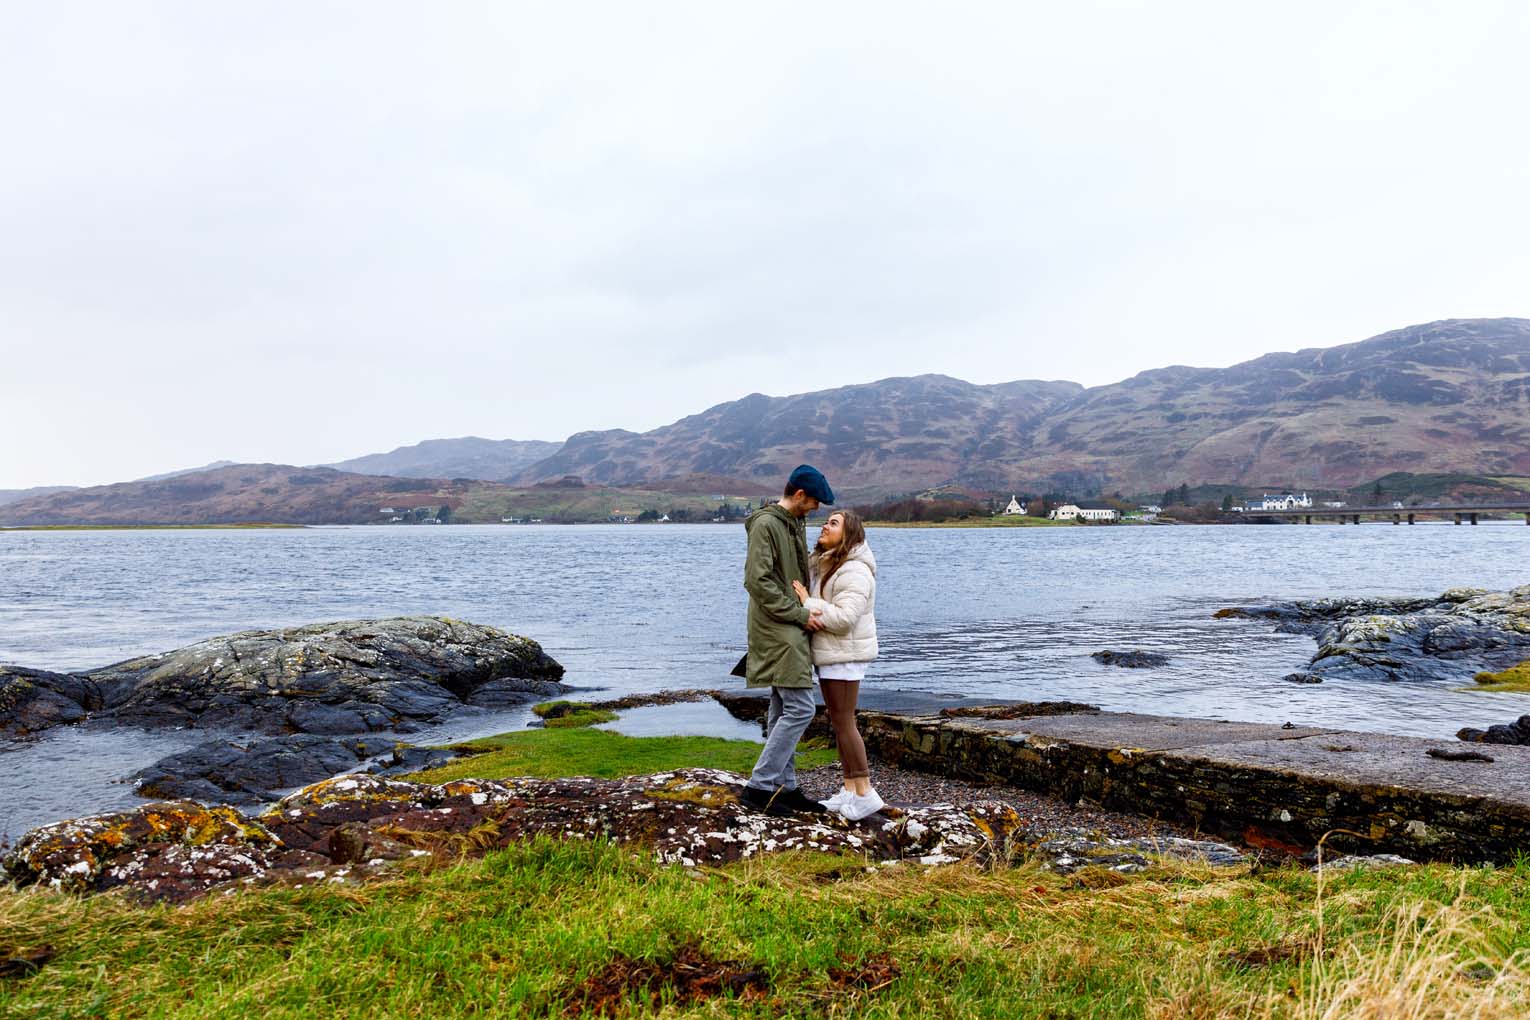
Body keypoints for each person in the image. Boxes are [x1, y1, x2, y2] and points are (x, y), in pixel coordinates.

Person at [739, 464, 834, 816]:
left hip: (786, 623)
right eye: (813, 502)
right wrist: (799, 614)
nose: (816, 509)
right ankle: (760, 786)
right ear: (798, 495)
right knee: (801, 707)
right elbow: (757, 581)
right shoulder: (766, 525)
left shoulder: (793, 522)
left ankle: (786, 787)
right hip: (777, 626)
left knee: (782, 704)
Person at [791, 509, 882, 820]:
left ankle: (866, 793)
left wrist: (808, 603)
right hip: (835, 654)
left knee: (844, 722)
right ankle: (849, 789)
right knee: (839, 721)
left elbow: (843, 619)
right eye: (826, 520)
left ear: (849, 533)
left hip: (846, 655)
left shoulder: (855, 571)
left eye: (833, 523)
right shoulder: (832, 563)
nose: (825, 526)